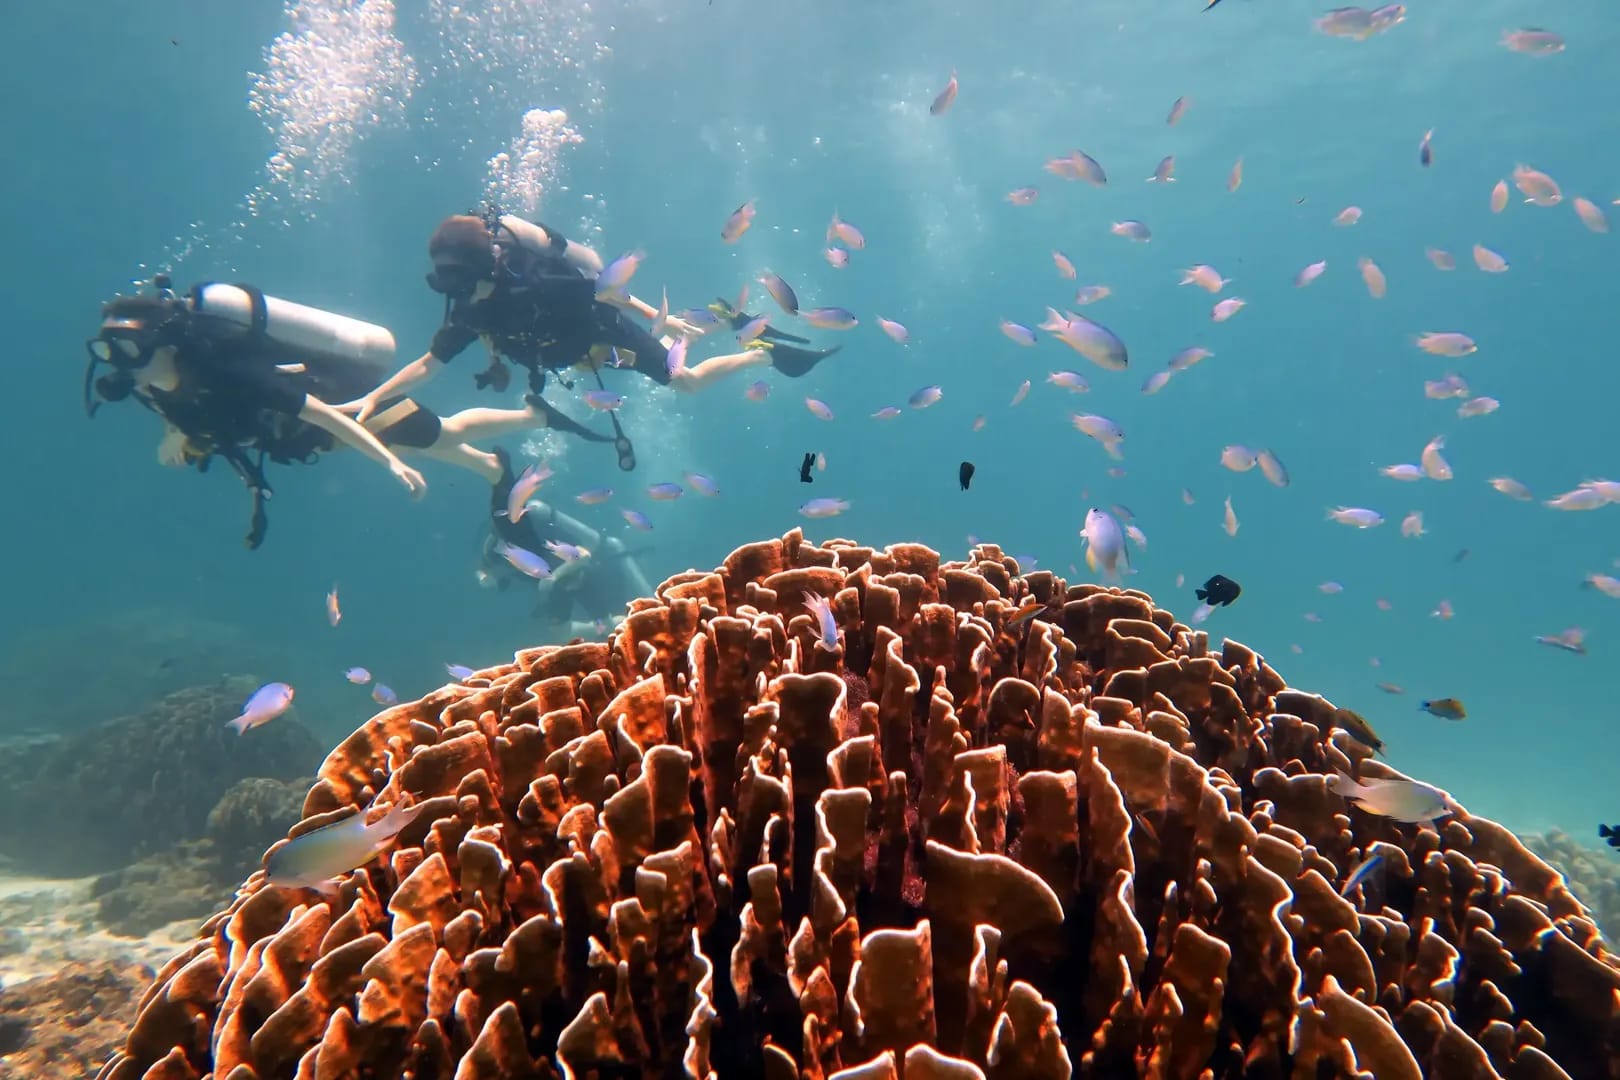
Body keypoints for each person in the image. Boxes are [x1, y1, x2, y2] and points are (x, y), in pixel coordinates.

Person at [339, 210, 842, 471]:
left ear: (483, 266)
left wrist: (653, 315)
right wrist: (373, 397)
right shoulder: (473, 307)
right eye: (450, 290)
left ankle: (756, 356)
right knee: (667, 381)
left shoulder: (540, 277)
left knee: (683, 382)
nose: (461, 297)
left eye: (463, 284)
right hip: (568, 357)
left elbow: (605, 288)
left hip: (603, 336)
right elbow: (429, 363)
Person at [84, 278, 557, 549]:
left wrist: (389, 464)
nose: (120, 366)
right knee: (427, 442)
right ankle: (493, 467)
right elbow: (194, 414)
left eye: (128, 349)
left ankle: (531, 418)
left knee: (439, 433)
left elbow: (323, 414)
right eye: (108, 353)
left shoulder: (230, 369)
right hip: (300, 439)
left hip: (344, 402)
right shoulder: (156, 386)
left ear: (164, 343)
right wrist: (175, 435)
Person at [478, 496, 654, 637]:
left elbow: (584, 554)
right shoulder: (494, 545)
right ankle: (610, 628)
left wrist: (554, 577)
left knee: (608, 621)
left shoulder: (538, 519)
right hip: (556, 583)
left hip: (579, 573)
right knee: (561, 630)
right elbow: (485, 568)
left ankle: (630, 620)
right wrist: (485, 578)